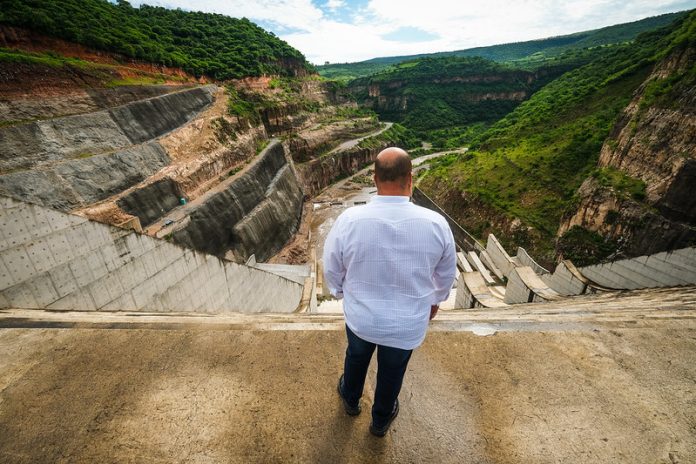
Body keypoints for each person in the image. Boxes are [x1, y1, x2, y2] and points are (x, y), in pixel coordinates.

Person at [322, 146, 457, 437]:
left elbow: (331, 265)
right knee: (392, 372)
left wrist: (340, 292)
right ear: (411, 177)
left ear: (374, 178)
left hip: (361, 319)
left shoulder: (349, 220)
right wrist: (435, 302)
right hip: (407, 323)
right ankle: (380, 420)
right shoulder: (436, 224)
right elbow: (446, 274)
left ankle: (350, 399)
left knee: (356, 359)